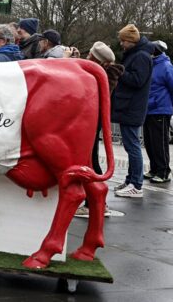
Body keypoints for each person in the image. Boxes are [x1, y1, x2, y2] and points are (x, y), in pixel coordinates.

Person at [75, 41, 125, 218]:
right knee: (90, 160)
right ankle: (95, 203)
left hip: (91, 121)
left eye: (90, 56)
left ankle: (95, 204)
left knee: (91, 161)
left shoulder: (103, 76)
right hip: (91, 121)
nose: (87, 57)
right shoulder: (104, 74)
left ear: (99, 61)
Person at [112, 24, 154, 198]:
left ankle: (136, 185)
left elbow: (137, 80)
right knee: (131, 146)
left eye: (123, 40)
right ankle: (131, 181)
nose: (121, 44)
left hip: (131, 108)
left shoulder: (141, 56)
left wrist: (120, 72)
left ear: (131, 40)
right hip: (129, 107)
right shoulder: (138, 54)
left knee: (133, 147)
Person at [144, 40, 173, 184]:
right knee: (150, 142)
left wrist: (169, 103)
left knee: (159, 142)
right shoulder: (152, 65)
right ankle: (154, 169)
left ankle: (164, 171)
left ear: (155, 51)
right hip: (149, 109)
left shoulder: (166, 66)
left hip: (160, 110)